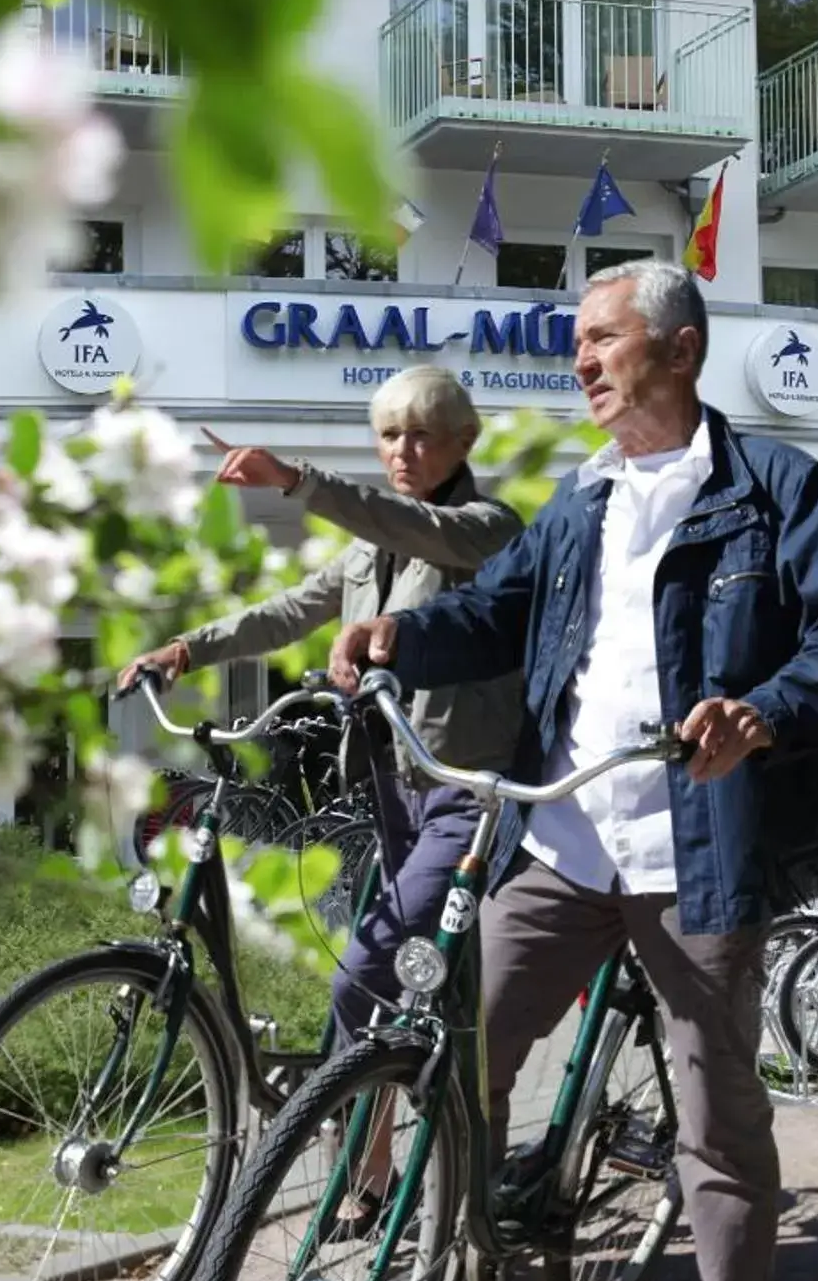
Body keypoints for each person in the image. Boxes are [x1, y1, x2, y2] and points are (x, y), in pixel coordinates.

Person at [329, 261, 818, 1281]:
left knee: (715, 1118)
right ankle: (465, 1229)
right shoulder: (580, 501)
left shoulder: (771, 487)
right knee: (449, 1038)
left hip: (697, 854)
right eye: (576, 342)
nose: (581, 360)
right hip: (565, 840)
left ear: (678, 352)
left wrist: (767, 709)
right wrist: (398, 631)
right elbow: (499, 617)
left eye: (602, 338)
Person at [120, 366, 523, 1044]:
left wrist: (296, 479)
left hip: (463, 792)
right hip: (392, 789)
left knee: (366, 971)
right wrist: (185, 650)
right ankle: (435, 1136)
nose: (401, 451)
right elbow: (289, 610)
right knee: (428, 980)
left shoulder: (486, 529)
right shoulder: (369, 549)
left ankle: (339, 1135)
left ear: (465, 441)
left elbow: (417, 525)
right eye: (389, 435)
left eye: (421, 436)